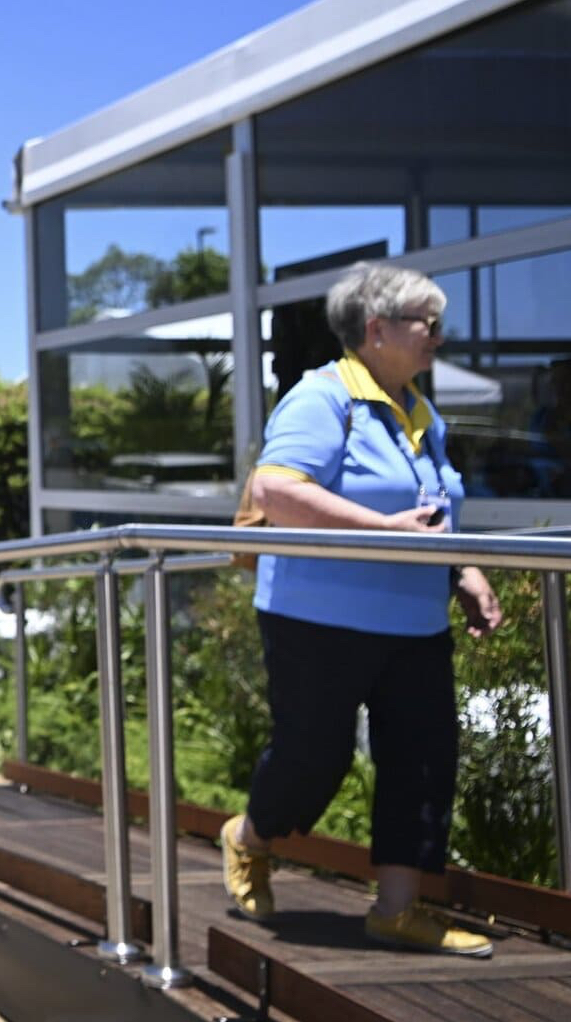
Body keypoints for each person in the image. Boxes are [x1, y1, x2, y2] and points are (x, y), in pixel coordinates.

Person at [224, 261, 503, 956]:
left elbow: (434, 510)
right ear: (375, 330)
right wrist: (382, 532)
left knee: (420, 759)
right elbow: (276, 489)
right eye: (425, 324)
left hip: (413, 622)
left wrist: (462, 569)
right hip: (315, 618)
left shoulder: (418, 409)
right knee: (310, 758)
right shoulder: (322, 397)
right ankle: (249, 835)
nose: (436, 338)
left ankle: (396, 910)